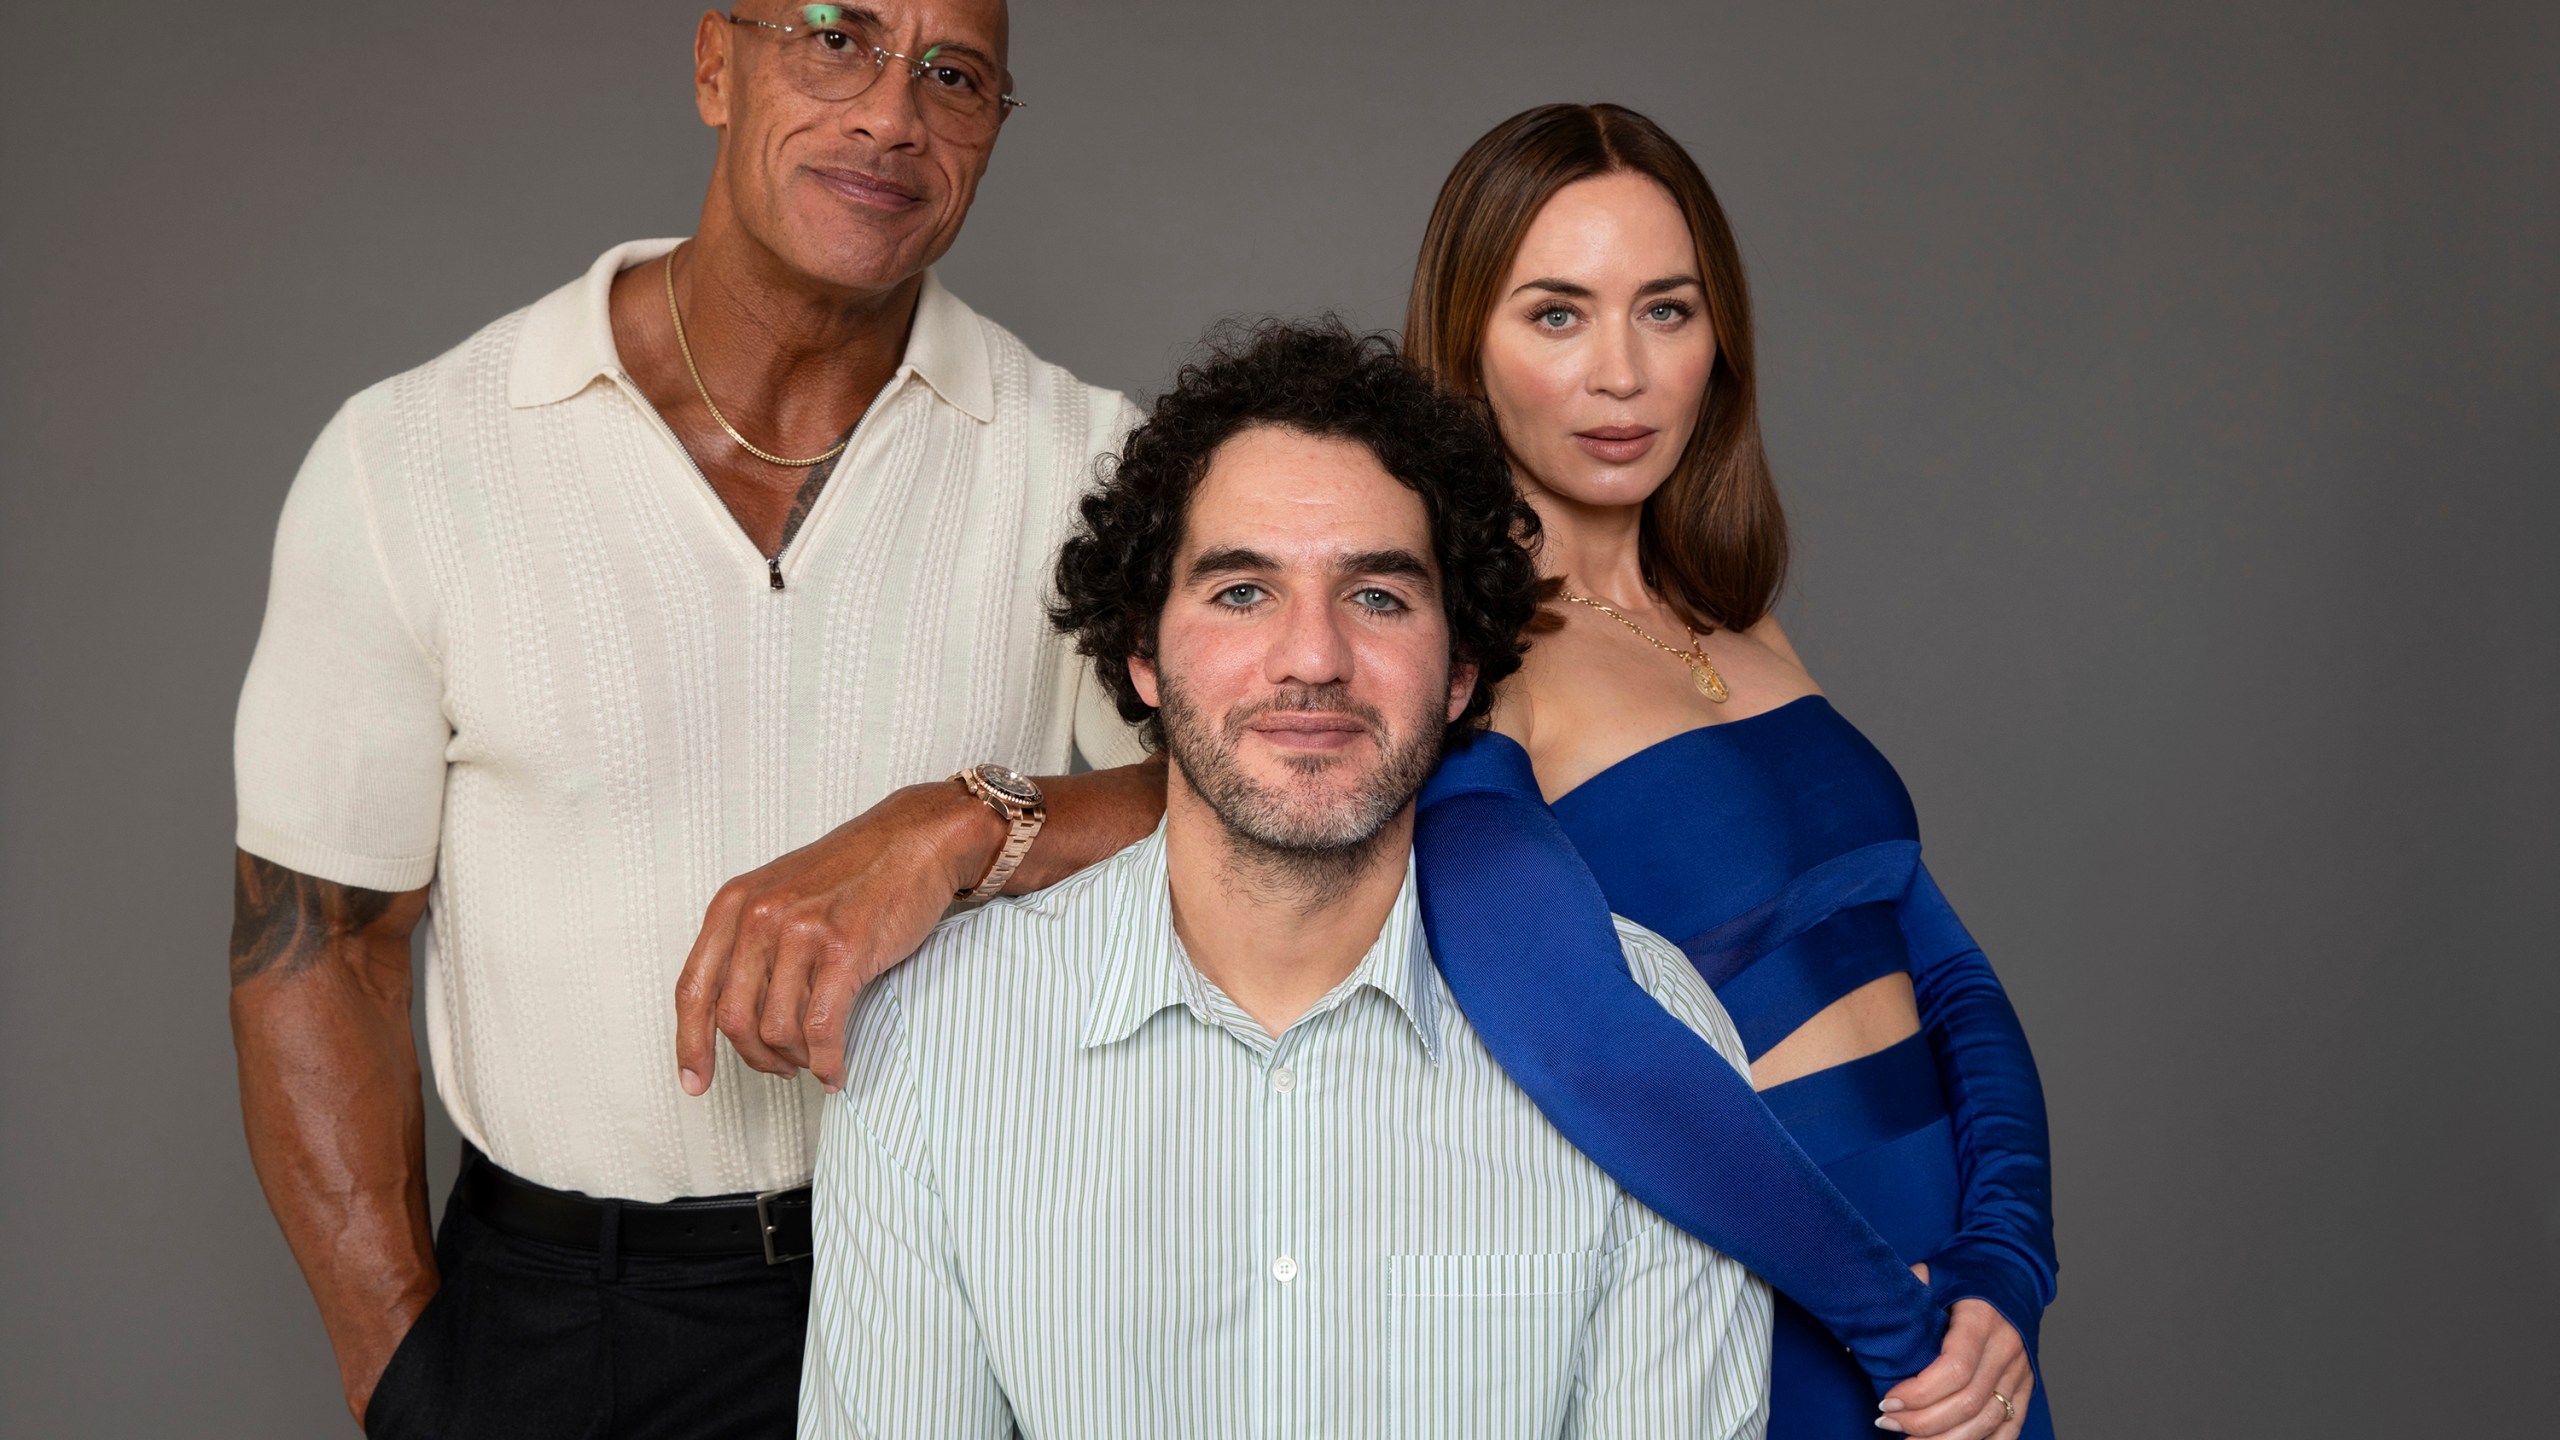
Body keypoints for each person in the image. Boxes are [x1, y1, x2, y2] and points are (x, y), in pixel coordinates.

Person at [227, 5, 1165, 1435]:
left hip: (969, 1285)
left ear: (992, 130)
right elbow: (320, 944)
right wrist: (408, 1382)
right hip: (570, 1320)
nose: (890, 116)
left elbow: (1255, 818)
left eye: (953, 76)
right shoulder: (414, 457)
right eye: (836, 38)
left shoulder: (1093, 460)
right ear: (715, 63)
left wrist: (961, 821)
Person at [798, 321, 1773, 1440]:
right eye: (1242, 592)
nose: (1312, 657)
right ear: (1141, 656)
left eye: (1377, 596)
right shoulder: (934, 1042)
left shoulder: (1653, 1034)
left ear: (1460, 670)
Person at [1401, 104, 2057, 1439]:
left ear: (1719, 339)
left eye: (1667, 310)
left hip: (1965, 1333)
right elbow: (1589, 1053)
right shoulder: (1465, 670)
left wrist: (2009, 1271)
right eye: (1558, 314)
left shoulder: (1738, 620)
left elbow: (1944, 969)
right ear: (1467, 346)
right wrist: (1891, 1325)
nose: (1624, 376)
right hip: (1786, 1322)